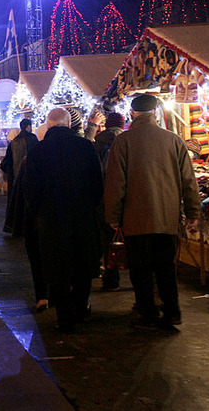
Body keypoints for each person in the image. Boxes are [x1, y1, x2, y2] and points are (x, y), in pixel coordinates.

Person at [103, 94, 202, 330]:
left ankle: (147, 314)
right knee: (166, 267)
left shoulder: (124, 141)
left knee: (141, 269)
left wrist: (113, 217)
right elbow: (188, 180)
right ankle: (172, 312)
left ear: (133, 113)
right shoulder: (174, 140)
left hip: (136, 219)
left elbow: (116, 183)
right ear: (156, 112)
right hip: (167, 218)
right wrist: (193, 212)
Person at [21, 109, 104, 332]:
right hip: (82, 217)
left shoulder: (38, 152)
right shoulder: (86, 147)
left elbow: (30, 190)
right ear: (69, 125)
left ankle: (64, 316)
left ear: (48, 126)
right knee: (82, 264)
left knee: (56, 267)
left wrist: (39, 213)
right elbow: (98, 184)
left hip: (50, 220)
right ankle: (79, 308)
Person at [93, 111, 125, 291]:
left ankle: (112, 279)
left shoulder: (97, 142)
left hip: (103, 197)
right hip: (127, 197)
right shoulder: (128, 140)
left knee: (108, 241)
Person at [2, 118, 38, 236]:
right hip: (30, 177)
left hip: (15, 178)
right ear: (28, 126)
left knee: (16, 204)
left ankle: (15, 227)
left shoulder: (14, 141)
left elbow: (6, 162)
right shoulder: (32, 139)